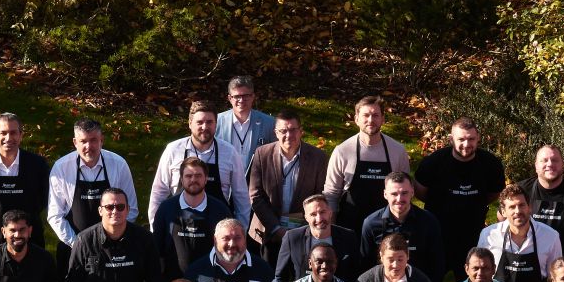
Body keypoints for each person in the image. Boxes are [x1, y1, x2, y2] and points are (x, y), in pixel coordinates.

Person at [64, 187, 164, 282]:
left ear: (128, 210)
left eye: (120, 207)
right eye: (109, 207)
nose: (115, 211)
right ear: (100, 211)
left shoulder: (144, 239)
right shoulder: (84, 240)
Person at [415, 118, 509, 268]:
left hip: (473, 232)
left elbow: (494, 193)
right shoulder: (433, 162)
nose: (466, 144)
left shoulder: (491, 164)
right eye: (461, 139)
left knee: (470, 281)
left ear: (478, 138)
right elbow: (419, 191)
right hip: (438, 231)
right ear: (451, 139)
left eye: (471, 139)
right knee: (434, 280)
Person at [146, 97, 248, 227]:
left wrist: (240, 233)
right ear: (190, 123)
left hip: (218, 232)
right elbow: (158, 192)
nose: (205, 127)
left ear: (216, 124)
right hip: (179, 228)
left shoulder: (230, 153)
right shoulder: (173, 150)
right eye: (199, 122)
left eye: (209, 122)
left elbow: (242, 198)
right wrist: (156, 229)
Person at [322, 95, 412, 234]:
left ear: (383, 119)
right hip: (349, 228)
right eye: (366, 115)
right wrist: (333, 232)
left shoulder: (397, 151)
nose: (371, 120)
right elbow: (331, 195)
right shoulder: (343, 151)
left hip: (387, 229)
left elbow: (406, 193)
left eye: (376, 115)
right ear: (356, 119)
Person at [47, 118, 139, 254]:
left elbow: (131, 209)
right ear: (75, 143)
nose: (88, 146)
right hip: (73, 249)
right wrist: (77, 244)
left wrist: (113, 239)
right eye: (83, 141)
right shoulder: (61, 168)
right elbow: (55, 215)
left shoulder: (119, 165)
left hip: (113, 248)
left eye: (93, 140)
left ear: (102, 140)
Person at [245, 110, 328, 259]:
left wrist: (301, 228)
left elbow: (320, 196)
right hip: (267, 231)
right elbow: (255, 196)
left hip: (303, 231)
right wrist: (276, 228)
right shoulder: (261, 154)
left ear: (301, 131)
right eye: (283, 131)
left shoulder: (318, 157)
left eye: (293, 130)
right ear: (276, 133)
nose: (288, 135)